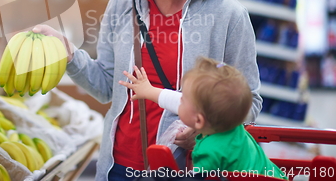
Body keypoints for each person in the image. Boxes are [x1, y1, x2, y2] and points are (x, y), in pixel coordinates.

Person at [33, 0, 262, 181]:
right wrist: (70, 55)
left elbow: (250, 101)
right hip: (120, 167)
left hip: (187, 169)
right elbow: (107, 86)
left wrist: (208, 130)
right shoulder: (122, 2)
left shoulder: (228, 14)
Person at [119, 58, 286, 180]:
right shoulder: (234, 129)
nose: (179, 101)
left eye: (182, 99)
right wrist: (148, 91)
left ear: (199, 121)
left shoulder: (208, 151)